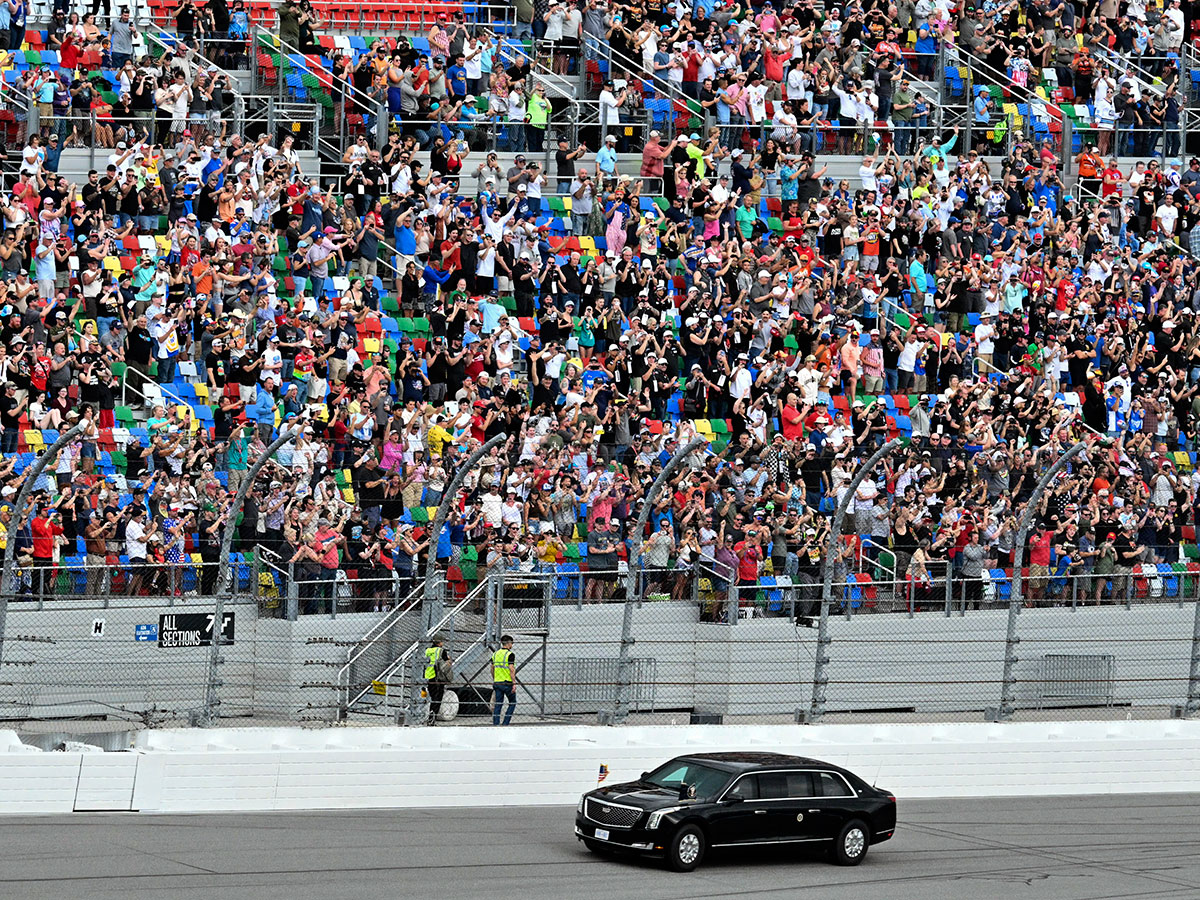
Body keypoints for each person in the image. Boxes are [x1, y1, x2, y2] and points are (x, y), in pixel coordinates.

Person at [424, 633, 452, 724]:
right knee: (437, 699)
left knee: (429, 697)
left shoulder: (427, 650)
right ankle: (432, 719)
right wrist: (448, 660)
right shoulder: (441, 651)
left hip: (427, 676)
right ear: (439, 643)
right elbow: (446, 664)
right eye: (442, 641)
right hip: (438, 677)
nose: (443, 643)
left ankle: (425, 716)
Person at [492, 633, 517, 725]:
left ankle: (496, 724)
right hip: (507, 683)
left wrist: (495, 678)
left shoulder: (495, 654)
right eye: (512, 643)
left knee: (498, 704)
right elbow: (511, 669)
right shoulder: (510, 654)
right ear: (509, 643)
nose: (512, 645)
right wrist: (514, 683)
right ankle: (505, 723)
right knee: (513, 702)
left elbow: (492, 668)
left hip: (497, 682)